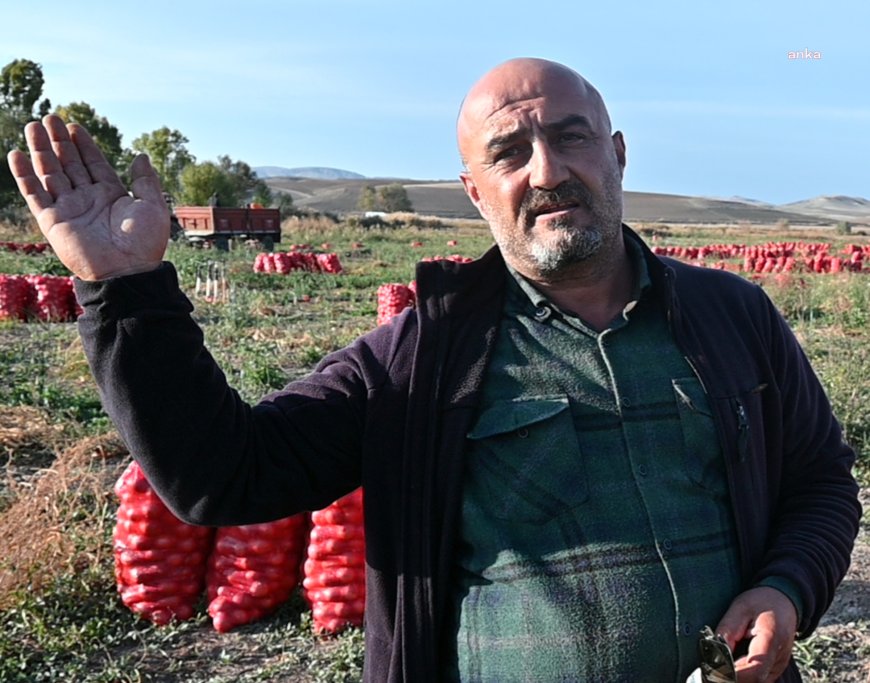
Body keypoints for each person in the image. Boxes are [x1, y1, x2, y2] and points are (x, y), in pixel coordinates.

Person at [7, 58, 860, 683]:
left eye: (570, 137)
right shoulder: (419, 358)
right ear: (474, 190)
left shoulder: (732, 316)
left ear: (618, 153)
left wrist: (786, 589)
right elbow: (223, 475)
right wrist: (124, 293)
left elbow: (821, 480)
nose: (549, 170)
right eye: (510, 152)